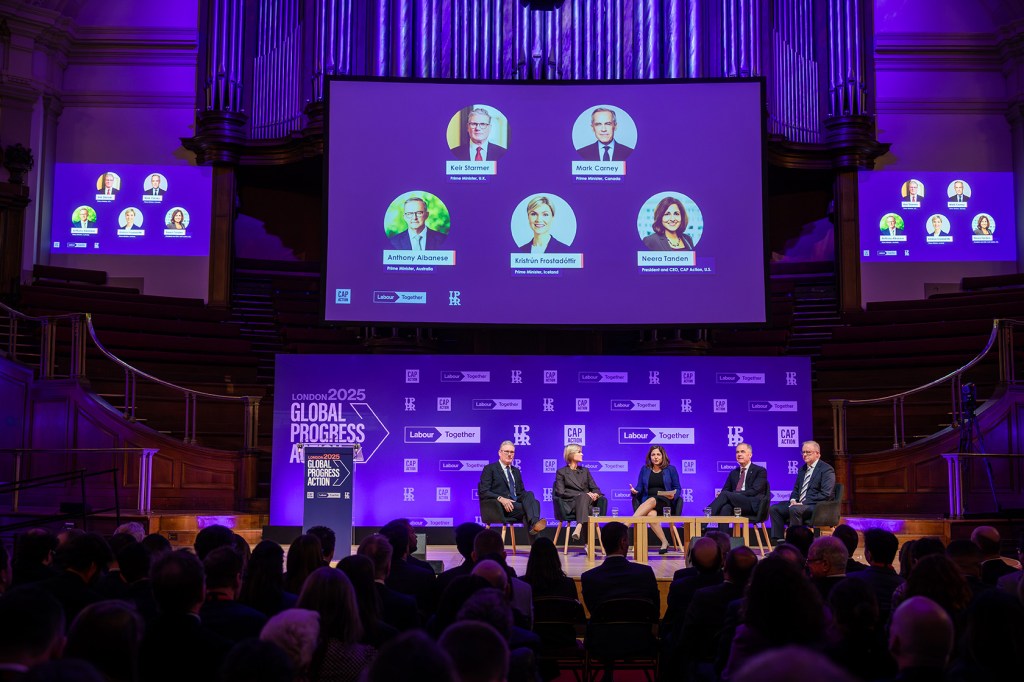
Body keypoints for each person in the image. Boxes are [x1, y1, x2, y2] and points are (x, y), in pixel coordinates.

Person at [580, 521, 659, 614]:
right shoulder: (645, 573)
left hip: (604, 628)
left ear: (604, 542)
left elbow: (593, 612)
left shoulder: (589, 578)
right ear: (623, 542)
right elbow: (655, 611)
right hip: (639, 628)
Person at [768, 440, 835, 543]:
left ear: (817, 454)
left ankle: (795, 544)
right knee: (775, 509)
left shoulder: (826, 469)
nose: (804, 455)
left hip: (818, 506)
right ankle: (780, 543)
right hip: (800, 505)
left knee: (795, 510)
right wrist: (793, 500)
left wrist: (802, 503)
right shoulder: (802, 470)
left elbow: (826, 494)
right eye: (803, 452)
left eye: (808, 452)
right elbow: (796, 489)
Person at [478, 440, 547, 538]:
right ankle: (536, 533)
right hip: (501, 507)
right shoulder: (490, 469)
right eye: (506, 451)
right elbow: (483, 491)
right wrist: (501, 499)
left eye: (512, 452)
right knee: (532, 508)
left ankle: (534, 523)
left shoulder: (516, 471)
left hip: (516, 503)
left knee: (530, 496)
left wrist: (526, 497)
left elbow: (520, 492)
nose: (510, 454)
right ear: (500, 453)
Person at [629, 444, 680, 554]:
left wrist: (674, 495)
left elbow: (678, 488)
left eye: (658, 454)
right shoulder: (645, 469)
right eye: (653, 455)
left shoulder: (671, 469)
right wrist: (635, 491)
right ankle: (665, 542)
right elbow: (640, 487)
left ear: (663, 456)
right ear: (650, 457)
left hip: (666, 503)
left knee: (652, 500)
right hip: (649, 502)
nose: (655, 457)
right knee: (651, 515)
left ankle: (626, 525)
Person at [553, 443, 604, 543]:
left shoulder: (585, 471)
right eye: (579, 452)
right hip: (571, 504)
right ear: (571, 454)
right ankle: (588, 545)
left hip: (586, 503)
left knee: (586, 501)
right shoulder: (561, 472)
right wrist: (581, 495)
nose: (582, 454)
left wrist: (596, 495)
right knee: (588, 507)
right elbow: (560, 492)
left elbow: (596, 489)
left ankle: (579, 525)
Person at [708, 442, 768, 518]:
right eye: (737, 452)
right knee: (725, 508)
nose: (739, 454)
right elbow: (725, 490)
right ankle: (720, 530)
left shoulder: (760, 471)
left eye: (742, 452)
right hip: (736, 503)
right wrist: (721, 495)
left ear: (750, 455)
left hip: (752, 504)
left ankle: (705, 518)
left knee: (725, 494)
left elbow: (754, 491)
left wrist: (735, 494)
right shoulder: (733, 473)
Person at [806, 535, 849, 600]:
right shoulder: (858, 588)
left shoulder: (811, 593)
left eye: (810, 561)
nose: (807, 565)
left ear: (825, 564)